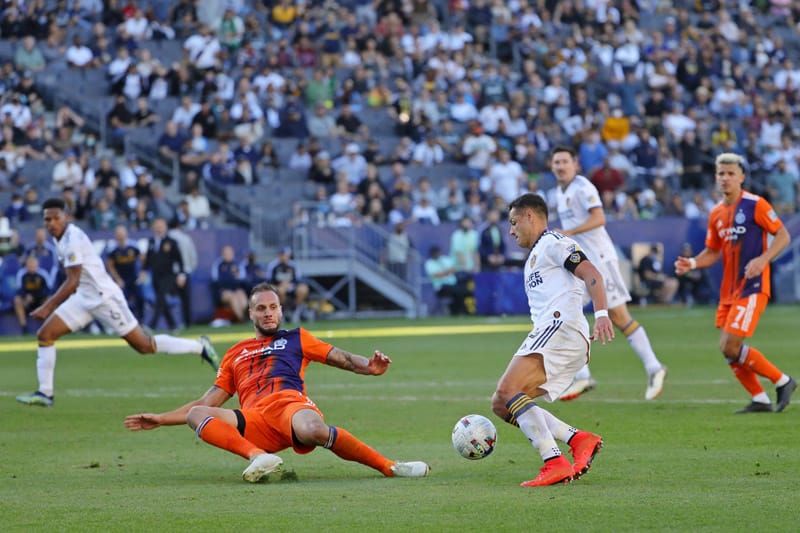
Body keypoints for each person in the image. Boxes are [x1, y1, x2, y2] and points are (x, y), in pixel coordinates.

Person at [124, 282, 430, 483]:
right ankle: (259, 457)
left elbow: (341, 358)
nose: (268, 313)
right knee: (196, 415)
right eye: (261, 308)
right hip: (254, 420)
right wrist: (162, 419)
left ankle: (389, 466)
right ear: (251, 314)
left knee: (314, 431)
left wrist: (370, 367)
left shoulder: (297, 338)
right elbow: (208, 404)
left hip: (289, 406)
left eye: (273, 308)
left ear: (281, 311)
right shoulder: (235, 353)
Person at [15, 199, 219, 408]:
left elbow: (72, 280)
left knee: (143, 345)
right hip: (84, 298)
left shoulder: (73, 238)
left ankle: (199, 346)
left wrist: (48, 306)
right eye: (47, 219)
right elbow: (76, 282)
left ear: (66, 217)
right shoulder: (60, 239)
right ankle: (45, 393)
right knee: (45, 335)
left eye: (55, 218)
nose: (51, 223)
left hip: (105, 299)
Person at [492, 193, 614, 487]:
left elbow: (591, 273)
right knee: (501, 403)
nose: (511, 231)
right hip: (554, 333)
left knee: (508, 389)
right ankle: (579, 439)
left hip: (560, 328)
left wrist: (602, 314)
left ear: (530, 216)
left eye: (513, 222)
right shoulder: (535, 255)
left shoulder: (554, 243)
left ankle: (554, 461)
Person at [675, 153, 796, 414]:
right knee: (728, 350)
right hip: (728, 292)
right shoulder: (716, 213)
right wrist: (692, 263)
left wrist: (763, 260)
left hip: (752, 287)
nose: (726, 178)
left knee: (731, 345)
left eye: (731, 173)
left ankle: (782, 381)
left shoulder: (756, 204)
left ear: (742, 177)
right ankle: (760, 399)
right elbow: (712, 251)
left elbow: (783, 236)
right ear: (715, 178)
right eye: (721, 174)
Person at [552, 146, 668, 401]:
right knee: (564, 311)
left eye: (564, 161)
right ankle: (582, 376)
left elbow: (599, 218)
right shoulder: (560, 193)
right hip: (582, 263)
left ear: (575, 164)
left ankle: (654, 367)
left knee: (618, 316)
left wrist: (569, 233)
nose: (560, 166)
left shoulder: (583, 188)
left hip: (600, 260)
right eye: (556, 162)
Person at [142, 218, 187, 332]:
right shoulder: (151, 241)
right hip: (155, 276)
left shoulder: (171, 242)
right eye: (157, 225)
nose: (159, 228)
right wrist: (144, 270)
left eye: (161, 225)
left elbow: (179, 260)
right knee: (162, 300)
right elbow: (148, 259)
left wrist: (181, 274)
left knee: (161, 297)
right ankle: (173, 326)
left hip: (168, 275)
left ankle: (152, 325)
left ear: (166, 227)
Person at [104, 224, 145, 320]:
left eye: (122, 233)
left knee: (141, 298)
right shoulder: (112, 249)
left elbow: (143, 259)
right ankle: (124, 322)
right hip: (121, 279)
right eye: (118, 233)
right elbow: (110, 266)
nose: (120, 235)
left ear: (126, 234)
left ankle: (141, 321)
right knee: (120, 301)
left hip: (134, 277)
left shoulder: (133, 246)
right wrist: (117, 279)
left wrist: (142, 273)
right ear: (115, 235)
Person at [265, 247, 310, 323]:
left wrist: (290, 284)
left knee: (303, 289)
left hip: (291, 287)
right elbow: (269, 280)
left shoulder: (293, 265)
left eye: (285, 255)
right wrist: (280, 285)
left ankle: (295, 311)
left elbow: (298, 279)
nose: (283, 257)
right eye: (281, 255)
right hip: (278, 287)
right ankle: (282, 313)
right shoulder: (273, 265)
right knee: (280, 290)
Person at [424, 245, 471, 316]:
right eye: (435, 253)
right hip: (440, 287)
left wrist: (446, 272)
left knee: (463, 290)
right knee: (456, 290)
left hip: (453, 284)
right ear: (431, 254)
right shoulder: (429, 263)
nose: (437, 254)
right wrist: (448, 271)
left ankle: (459, 310)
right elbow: (437, 275)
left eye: (437, 253)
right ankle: (460, 311)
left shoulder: (445, 259)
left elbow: (455, 269)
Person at [210, 245, 248, 323]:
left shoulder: (237, 264)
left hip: (236, 289)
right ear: (222, 254)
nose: (228, 255)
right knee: (232, 297)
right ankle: (242, 319)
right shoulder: (218, 264)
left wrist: (236, 276)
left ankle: (239, 317)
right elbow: (215, 280)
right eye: (226, 253)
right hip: (224, 291)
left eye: (229, 253)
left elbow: (242, 278)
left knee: (242, 298)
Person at [13, 255, 51, 334]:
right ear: (26, 265)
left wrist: (36, 296)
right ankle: (24, 327)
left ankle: (49, 326)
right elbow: (19, 290)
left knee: (49, 299)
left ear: (37, 265)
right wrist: (26, 296)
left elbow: (48, 290)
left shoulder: (43, 274)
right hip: (27, 300)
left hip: (40, 299)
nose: (32, 267)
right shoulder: (21, 274)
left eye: (33, 265)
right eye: (30, 265)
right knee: (17, 300)